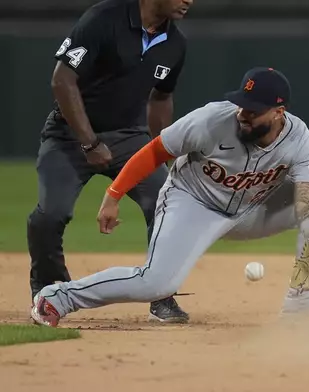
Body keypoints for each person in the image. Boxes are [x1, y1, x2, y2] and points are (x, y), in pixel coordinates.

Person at [30, 66, 309, 328]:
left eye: (253, 110)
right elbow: (154, 152)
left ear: (279, 113)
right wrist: (114, 194)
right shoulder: (210, 121)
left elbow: (308, 197)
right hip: (193, 204)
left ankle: (303, 303)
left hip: (252, 209)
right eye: (242, 105)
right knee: (157, 283)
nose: (243, 114)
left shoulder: (301, 142)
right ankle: (57, 297)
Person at [27, 0, 194, 323]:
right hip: (69, 136)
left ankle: (162, 295)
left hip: (130, 138)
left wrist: (163, 152)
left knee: (167, 203)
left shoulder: (175, 43)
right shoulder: (104, 18)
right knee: (51, 214)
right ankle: (47, 289)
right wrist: (89, 141)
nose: (189, 0)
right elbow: (62, 79)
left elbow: (162, 97)